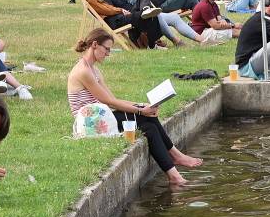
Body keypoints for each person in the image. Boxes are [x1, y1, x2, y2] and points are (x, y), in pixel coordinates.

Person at [69, 29, 202, 185]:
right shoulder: (84, 71)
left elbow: (112, 99)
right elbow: (108, 102)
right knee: (146, 118)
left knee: (149, 124)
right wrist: (140, 110)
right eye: (107, 49)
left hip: (101, 116)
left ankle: (175, 172)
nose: (108, 53)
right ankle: (176, 163)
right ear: (94, 45)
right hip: (91, 123)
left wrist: (141, 105)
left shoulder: (93, 69)